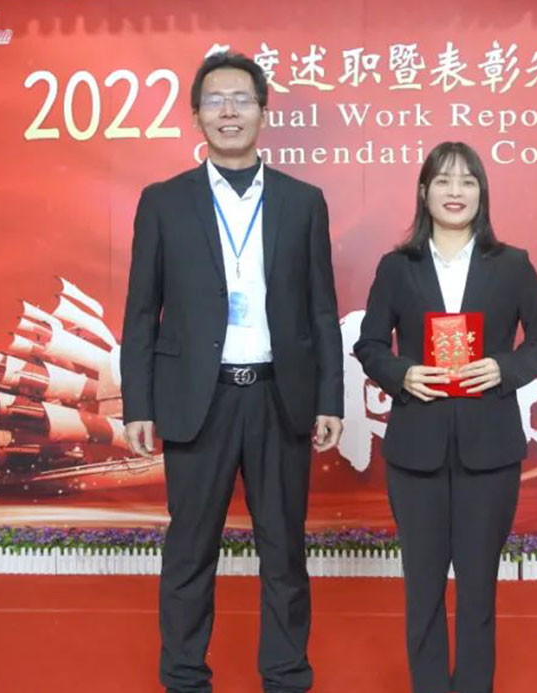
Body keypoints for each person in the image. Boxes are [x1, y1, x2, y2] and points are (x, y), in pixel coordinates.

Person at [120, 51, 345, 693]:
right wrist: (139, 404)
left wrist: (330, 398)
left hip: (280, 397)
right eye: (215, 100)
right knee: (190, 550)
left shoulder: (303, 202)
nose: (229, 111)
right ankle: (184, 676)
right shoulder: (163, 202)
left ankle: (287, 675)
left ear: (263, 113)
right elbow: (141, 312)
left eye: (242, 99)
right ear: (196, 115)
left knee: (284, 551)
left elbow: (322, 309)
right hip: (199, 401)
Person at [353, 141, 537, 693]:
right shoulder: (397, 267)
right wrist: (402, 374)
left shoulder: (512, 265)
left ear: (481, 193)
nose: (455, 191)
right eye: (443, 181)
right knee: (422, 586)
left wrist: (504, 368)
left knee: (477, 587)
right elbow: (369, 344)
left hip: (489, 450)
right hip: (415, 450)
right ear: (423, 191)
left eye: (467, 181)